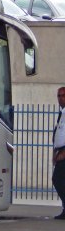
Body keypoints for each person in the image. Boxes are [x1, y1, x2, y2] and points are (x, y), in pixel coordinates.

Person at [52, 86, 65, 219]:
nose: (60, 98)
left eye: (63, 95)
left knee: (57, 179)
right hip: (60, 151)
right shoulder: (62, 113)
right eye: (59, 96)